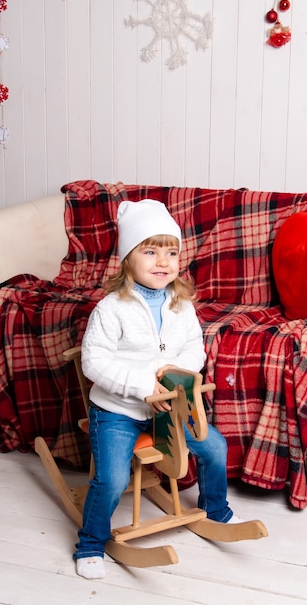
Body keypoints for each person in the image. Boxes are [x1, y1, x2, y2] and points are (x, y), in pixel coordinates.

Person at [74, 199, 239, 580]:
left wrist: (179, 369)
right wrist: (143, 384)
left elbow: (194, 347)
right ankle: (91, 543)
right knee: (112, 478)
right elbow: (94, 363)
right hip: (117, 411)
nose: (162, 261)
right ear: (128, 258)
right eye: (150, 251)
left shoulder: (181, 305)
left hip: (168, 410)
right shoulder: (111, 308)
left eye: (171, 252)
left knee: (214, 447)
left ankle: (218, 512)